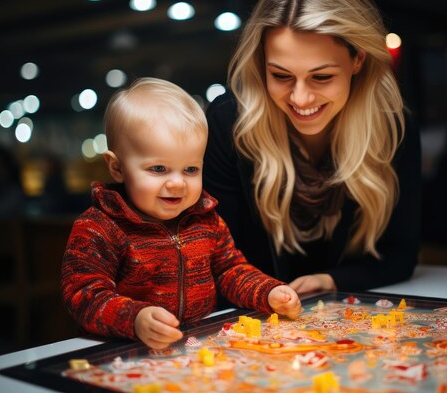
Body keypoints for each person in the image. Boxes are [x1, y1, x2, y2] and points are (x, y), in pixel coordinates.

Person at [203, 0, 422, 297]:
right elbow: (216, 260)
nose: (301, 98)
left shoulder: (392, 127)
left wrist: (331, 281)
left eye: (321, 77)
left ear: (357, 60)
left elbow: (400, 256)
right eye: (281, 75)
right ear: (261, 63)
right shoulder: (228, 124)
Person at [60, 77, 302, 350]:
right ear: (117, 168)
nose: (178, 183)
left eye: (190, 169)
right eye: (158, 169)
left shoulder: (206, 220)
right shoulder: (99, 227)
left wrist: (268, 292)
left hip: (194, 346)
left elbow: (231, 270)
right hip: (121, 350)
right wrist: (135, 318)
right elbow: (82, 294)